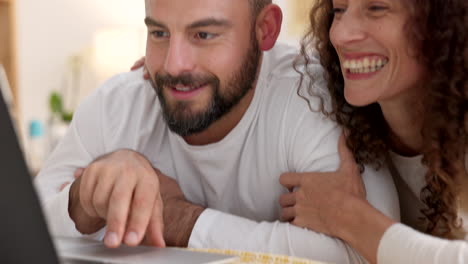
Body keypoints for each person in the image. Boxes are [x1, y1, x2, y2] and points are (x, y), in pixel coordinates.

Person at [35, 0, 399, 263]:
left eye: (204, 34)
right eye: (159, 33)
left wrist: (181, 219)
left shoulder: (312, 98)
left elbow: (368, 252)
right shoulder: (117, 105)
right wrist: (82, 202)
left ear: (265, 30)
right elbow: (19, 231)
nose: (174, 65)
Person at [279, 0, 468, 263]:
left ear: (445, 24)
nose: (342, 35)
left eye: (377, 8)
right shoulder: (335, 122)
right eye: (339, 10)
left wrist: (348, 217)